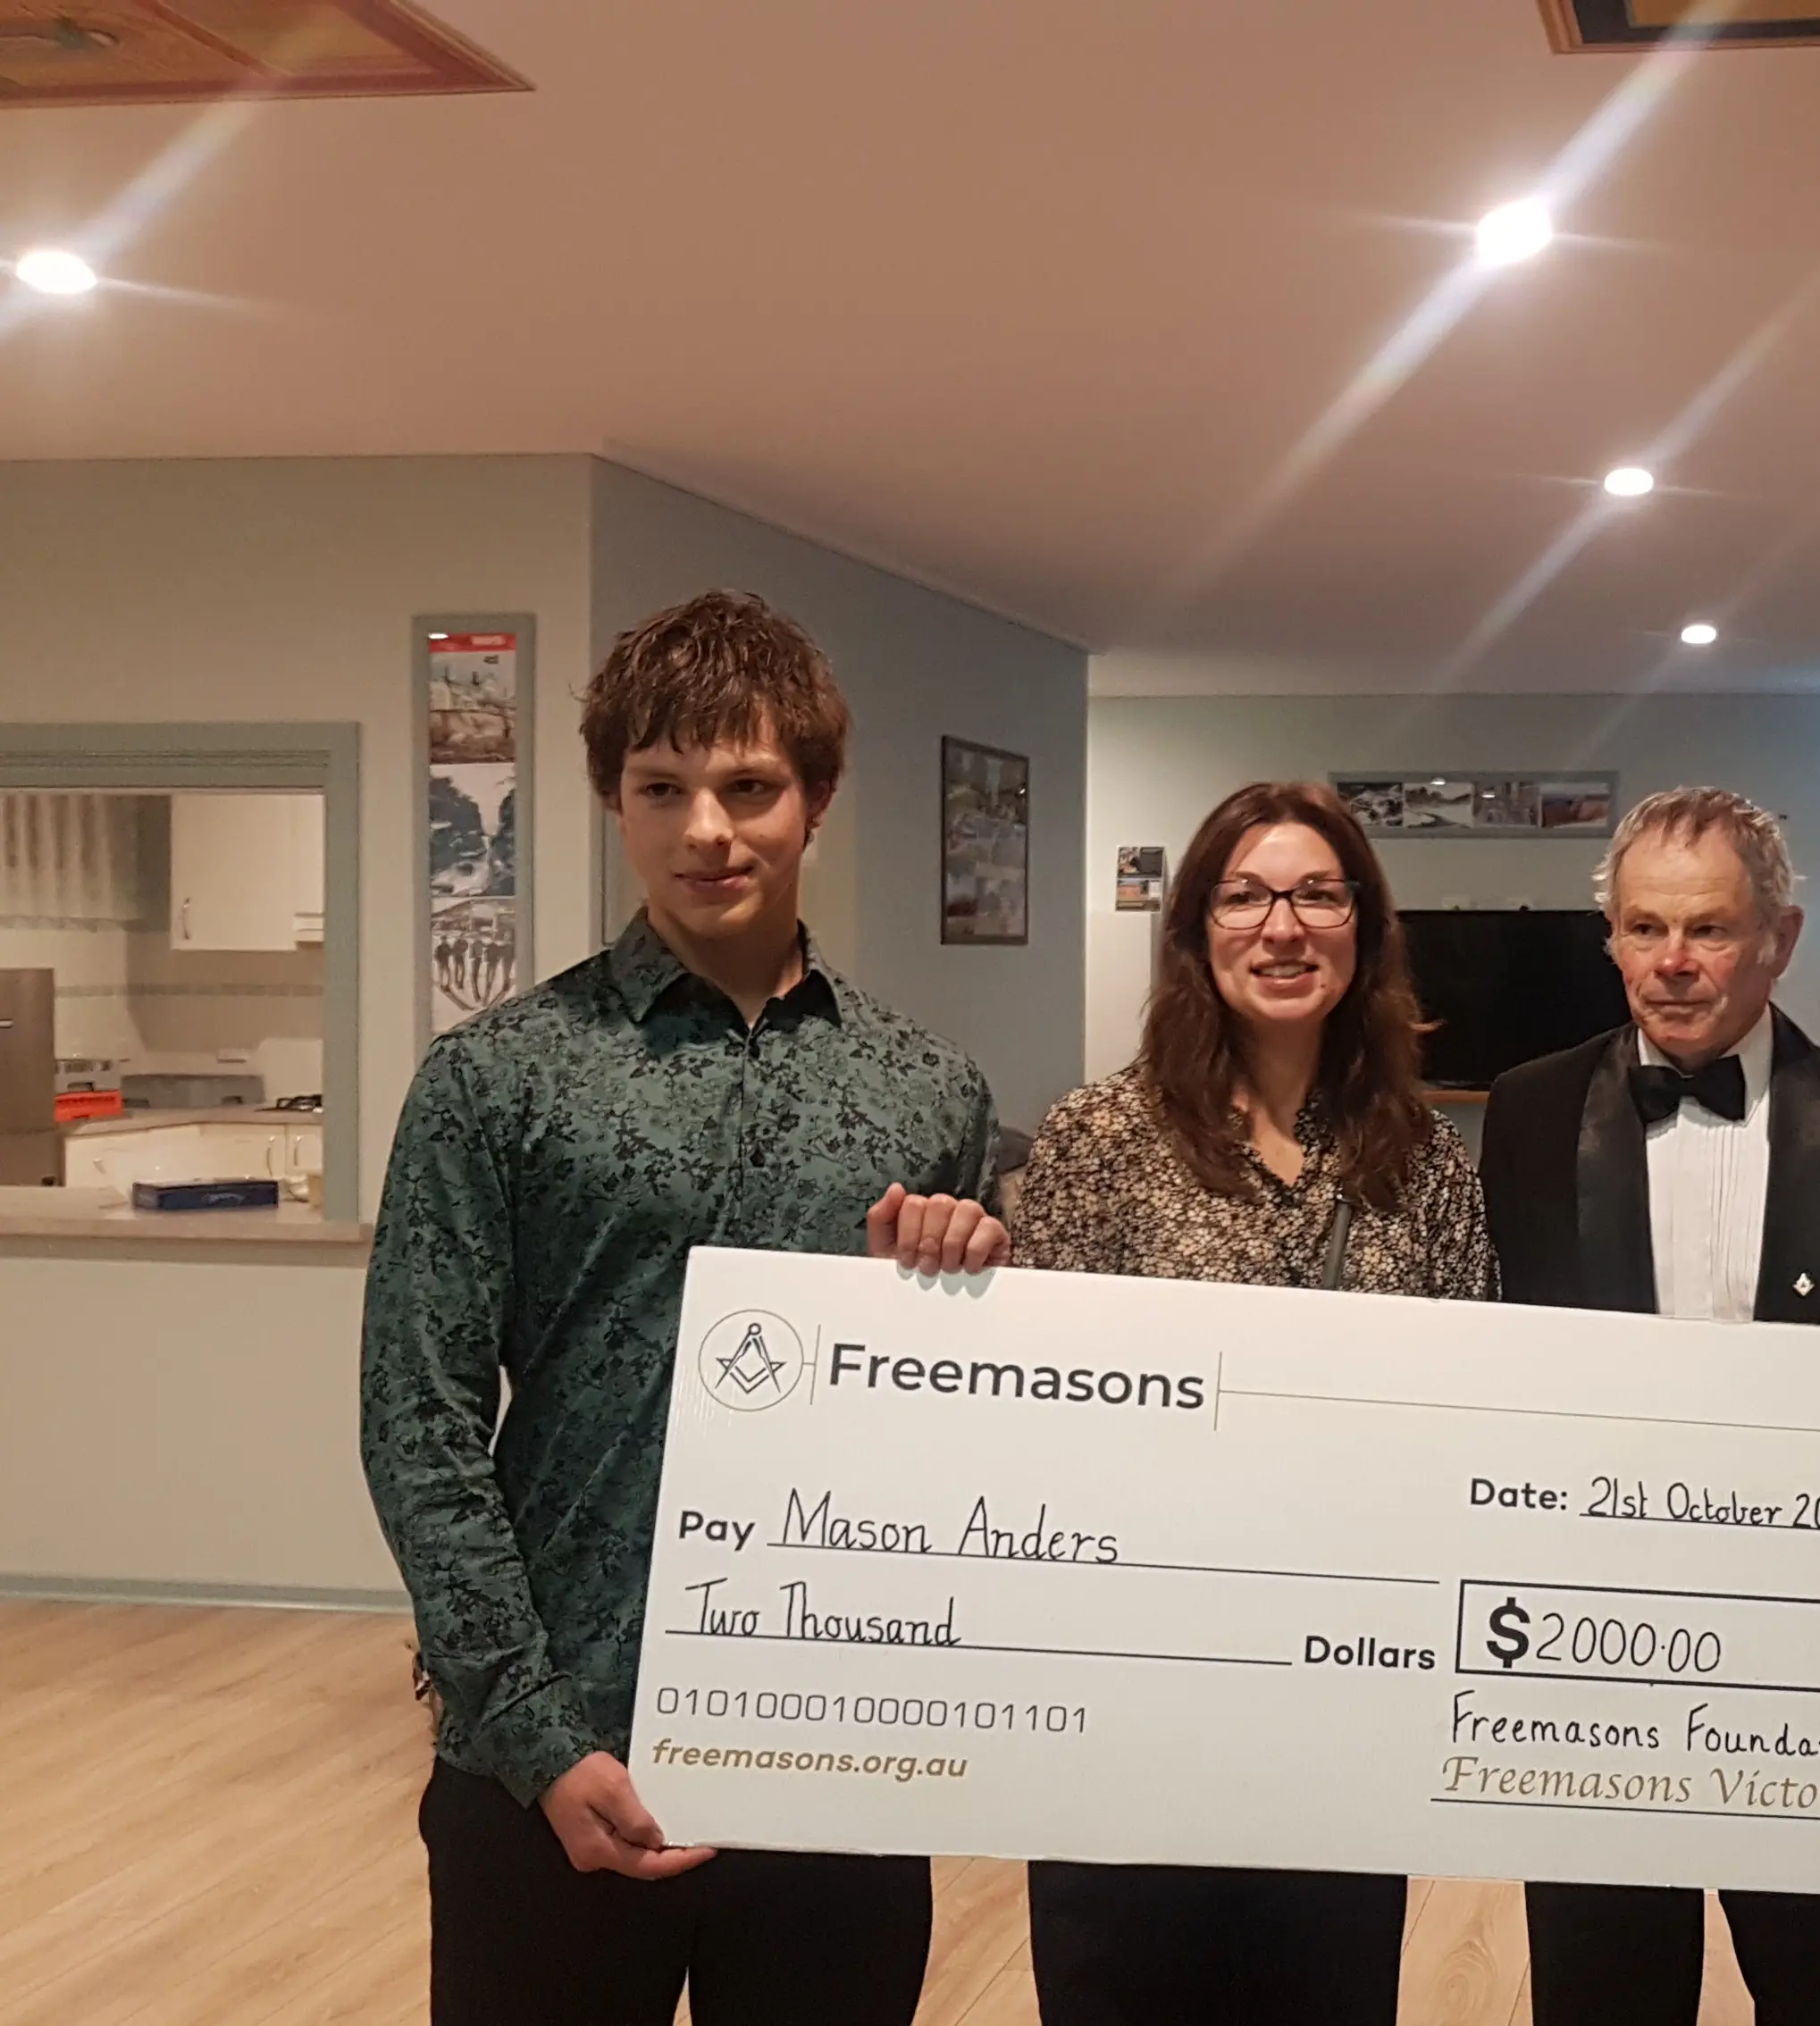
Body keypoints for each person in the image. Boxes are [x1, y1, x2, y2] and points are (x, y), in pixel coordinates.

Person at [361, 590, 1008, 2026]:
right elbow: (419, 1420)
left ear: (817, 798)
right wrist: (533, 1735)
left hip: (830, 1753)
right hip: (559, 1754)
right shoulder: (500, 1082)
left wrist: (971, 1289)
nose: (707, 831)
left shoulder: (926, 1093)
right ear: (612, 799)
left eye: (749, 787)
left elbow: (959, 1440)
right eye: (663, 789)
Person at [1481, 785, 1820, 2026]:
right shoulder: (1526, 1113)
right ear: (1606, 937)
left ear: (1782, 935)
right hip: (1585, 1651)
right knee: (1599, 1991)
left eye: (1708, 929)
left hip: (1809, 1652)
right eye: (1642, 928)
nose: (1670, 963)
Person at [1011, 780, 1493, 2026]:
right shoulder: (1095, 1140)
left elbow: (1470, 1418)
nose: (1282, 927)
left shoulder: (1426, 1162)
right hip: (1127, 1716)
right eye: (1245, 896)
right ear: (1194, 931)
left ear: (1363, 929)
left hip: (1338, 1716)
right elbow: (1034, 1433)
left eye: (1317, 896)